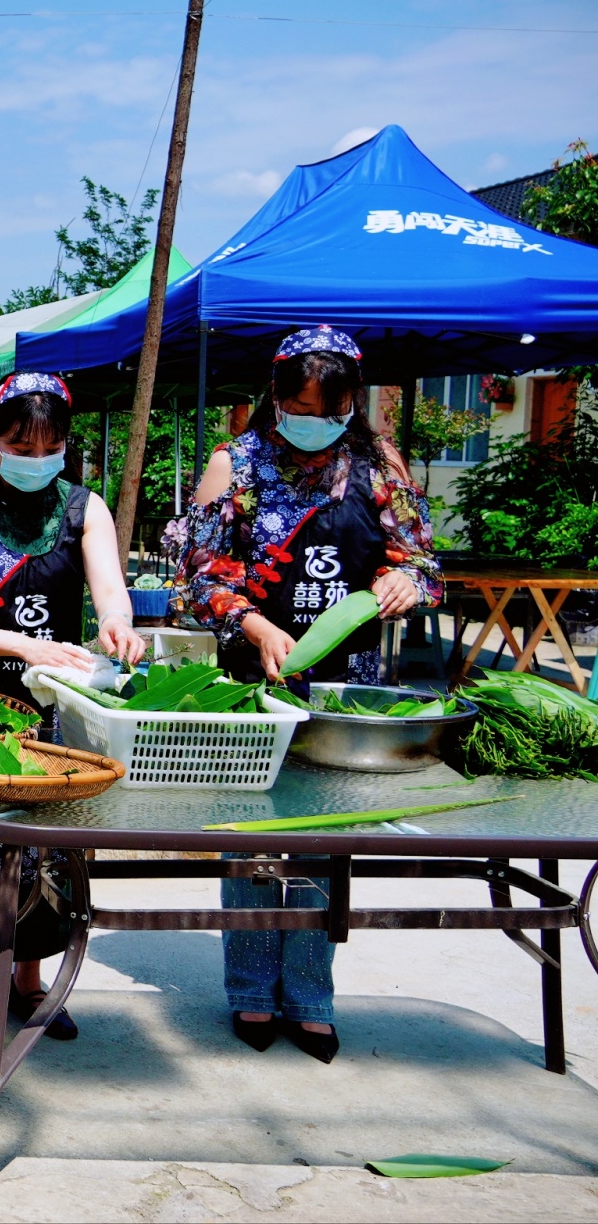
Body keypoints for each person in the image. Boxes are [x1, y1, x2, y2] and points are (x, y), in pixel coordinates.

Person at [175, 326, 440, 1063]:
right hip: (253, 677)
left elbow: (423, 560)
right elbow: (196, 573)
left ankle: (312, 996)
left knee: (326, 840)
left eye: (330, 410)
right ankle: (251, 991)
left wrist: (404, 581)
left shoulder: (379, 463)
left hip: (347, 686)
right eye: (299, 407)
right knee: (252, 835)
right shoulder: (236, 463)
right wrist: (254, 623)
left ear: (353, 401)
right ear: (276, 395)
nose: (314, 422)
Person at [0, 372, 143, 1047]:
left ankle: (32, 978)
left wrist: (117, 623)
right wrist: (25, 644)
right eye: (21, 445)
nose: (36, 458)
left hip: (56, 714)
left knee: (51, 849)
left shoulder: (83, 507)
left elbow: (110, 590)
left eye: (51, 447)